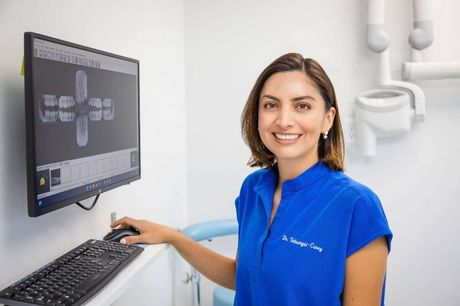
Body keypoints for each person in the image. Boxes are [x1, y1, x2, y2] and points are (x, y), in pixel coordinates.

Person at [111, 53, 393, 306]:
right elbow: (242, 277)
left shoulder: (357, 207)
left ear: (328, 119)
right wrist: (172, 236)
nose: (284, 120)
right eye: (271, 105)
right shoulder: (253, 189)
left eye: (302, 106)